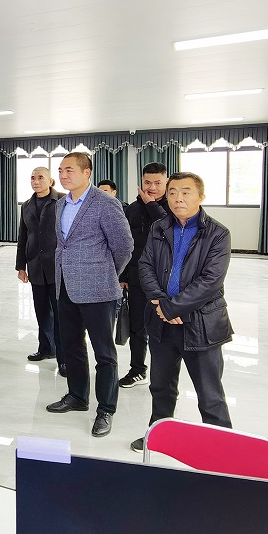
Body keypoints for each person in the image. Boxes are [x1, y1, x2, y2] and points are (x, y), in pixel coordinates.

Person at [130, 172, 234, 453]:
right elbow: (145, 265)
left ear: (201, 196)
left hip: (201, 324)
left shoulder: (218, 233)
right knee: (161, 387)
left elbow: (211, 281)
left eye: (186, 192)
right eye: (173, 192)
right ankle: (158, 435)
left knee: (209, 393)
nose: (178, 198)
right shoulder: (159, 227)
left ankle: (222, 447)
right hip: (162, 324)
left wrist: (170, 307)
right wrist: (161, 302)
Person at [45, 152, 133, 438]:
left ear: (87, 173)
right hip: (66, 287)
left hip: (99, 289)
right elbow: (63, 245)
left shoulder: (105, 203)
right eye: (60, 170)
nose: (63, 175)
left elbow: (124, 246)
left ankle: (105, 409)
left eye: (69, 170)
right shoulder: (61, 204)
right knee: (71, 346)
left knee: (104, 353)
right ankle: (77, 396)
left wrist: (106, 272)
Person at [118, 163, 170, 389]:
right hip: (137, 279)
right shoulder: (132, 209)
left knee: (163, 331)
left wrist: (152, 206)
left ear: (166, 183)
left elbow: (169, 231)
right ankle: (138, 369)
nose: (152, 187)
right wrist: (123, 275)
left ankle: (165, 377)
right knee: (137, 327)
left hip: (165, 282)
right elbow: (126, 245)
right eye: (147, 182)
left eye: (158, 183)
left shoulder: (173, 208)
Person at [15, 166, 63, 370]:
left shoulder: (62, 200)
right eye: (32, 178)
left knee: (60, 315)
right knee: (41, 311)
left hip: (58, 266)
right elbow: (23, 236)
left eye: (40, 177)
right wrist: (21, 266)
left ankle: (64, 358)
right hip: (36, 265)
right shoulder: (27, 205)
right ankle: (46, 348)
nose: (36, 181)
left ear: (50, 181)